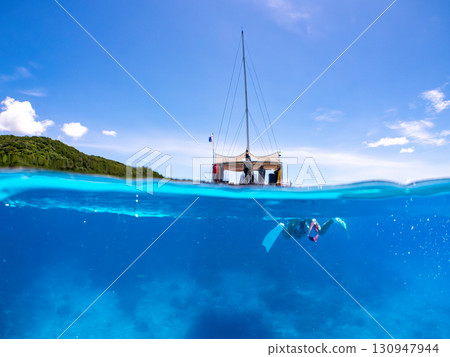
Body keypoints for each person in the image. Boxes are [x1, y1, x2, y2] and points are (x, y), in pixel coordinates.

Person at [282, 217, 347, 242]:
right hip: (304, 218)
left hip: (296, 218)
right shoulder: (301, 230)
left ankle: (281, 226)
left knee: (288, 236)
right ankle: (333, 219)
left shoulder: (293, 225)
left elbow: (290, 234)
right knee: (321, 233)